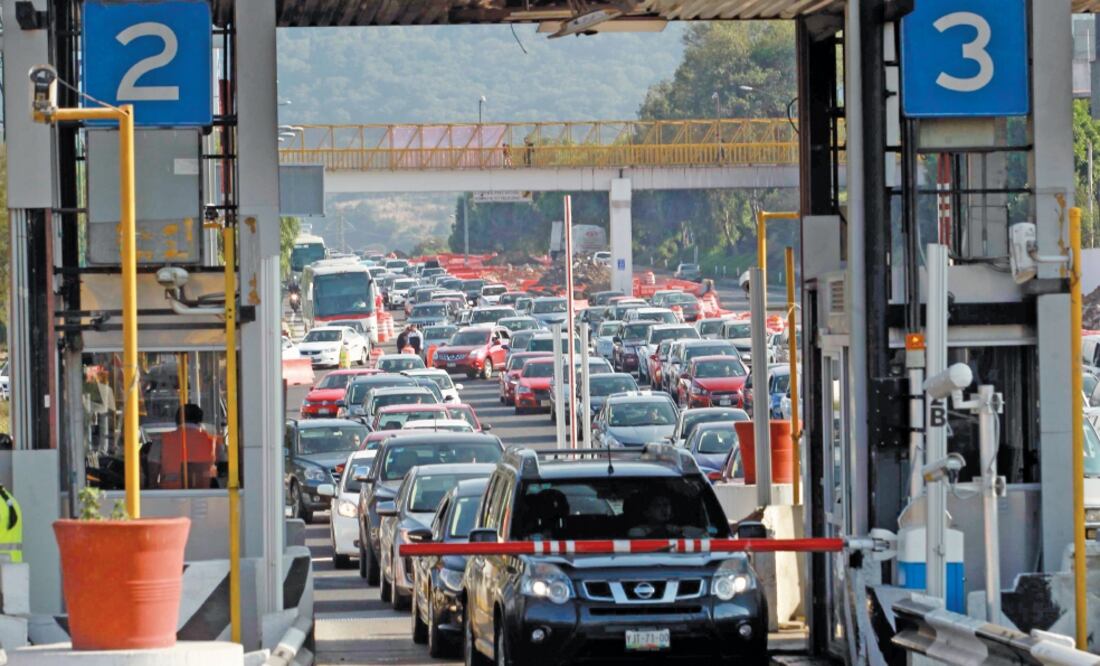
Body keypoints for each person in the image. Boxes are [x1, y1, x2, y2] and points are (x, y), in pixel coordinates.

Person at [157, 404, 217, 490]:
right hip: (204, 493)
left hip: (170, 493)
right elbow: (223, 470)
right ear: (200, 420)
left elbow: (152, 471)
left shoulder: (162, 440)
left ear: (177, 420)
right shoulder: (213, 441)